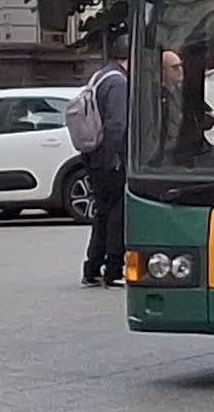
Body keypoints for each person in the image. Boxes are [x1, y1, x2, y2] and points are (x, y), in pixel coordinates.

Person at [81, 33, 130, 288]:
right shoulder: (119, 83)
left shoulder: (100, 76)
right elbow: (117, 124)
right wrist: (116, 158)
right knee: (117, 214)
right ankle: (113, 269)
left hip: (93, 154)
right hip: (110, 158)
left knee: (102, 212)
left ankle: (92, 266)